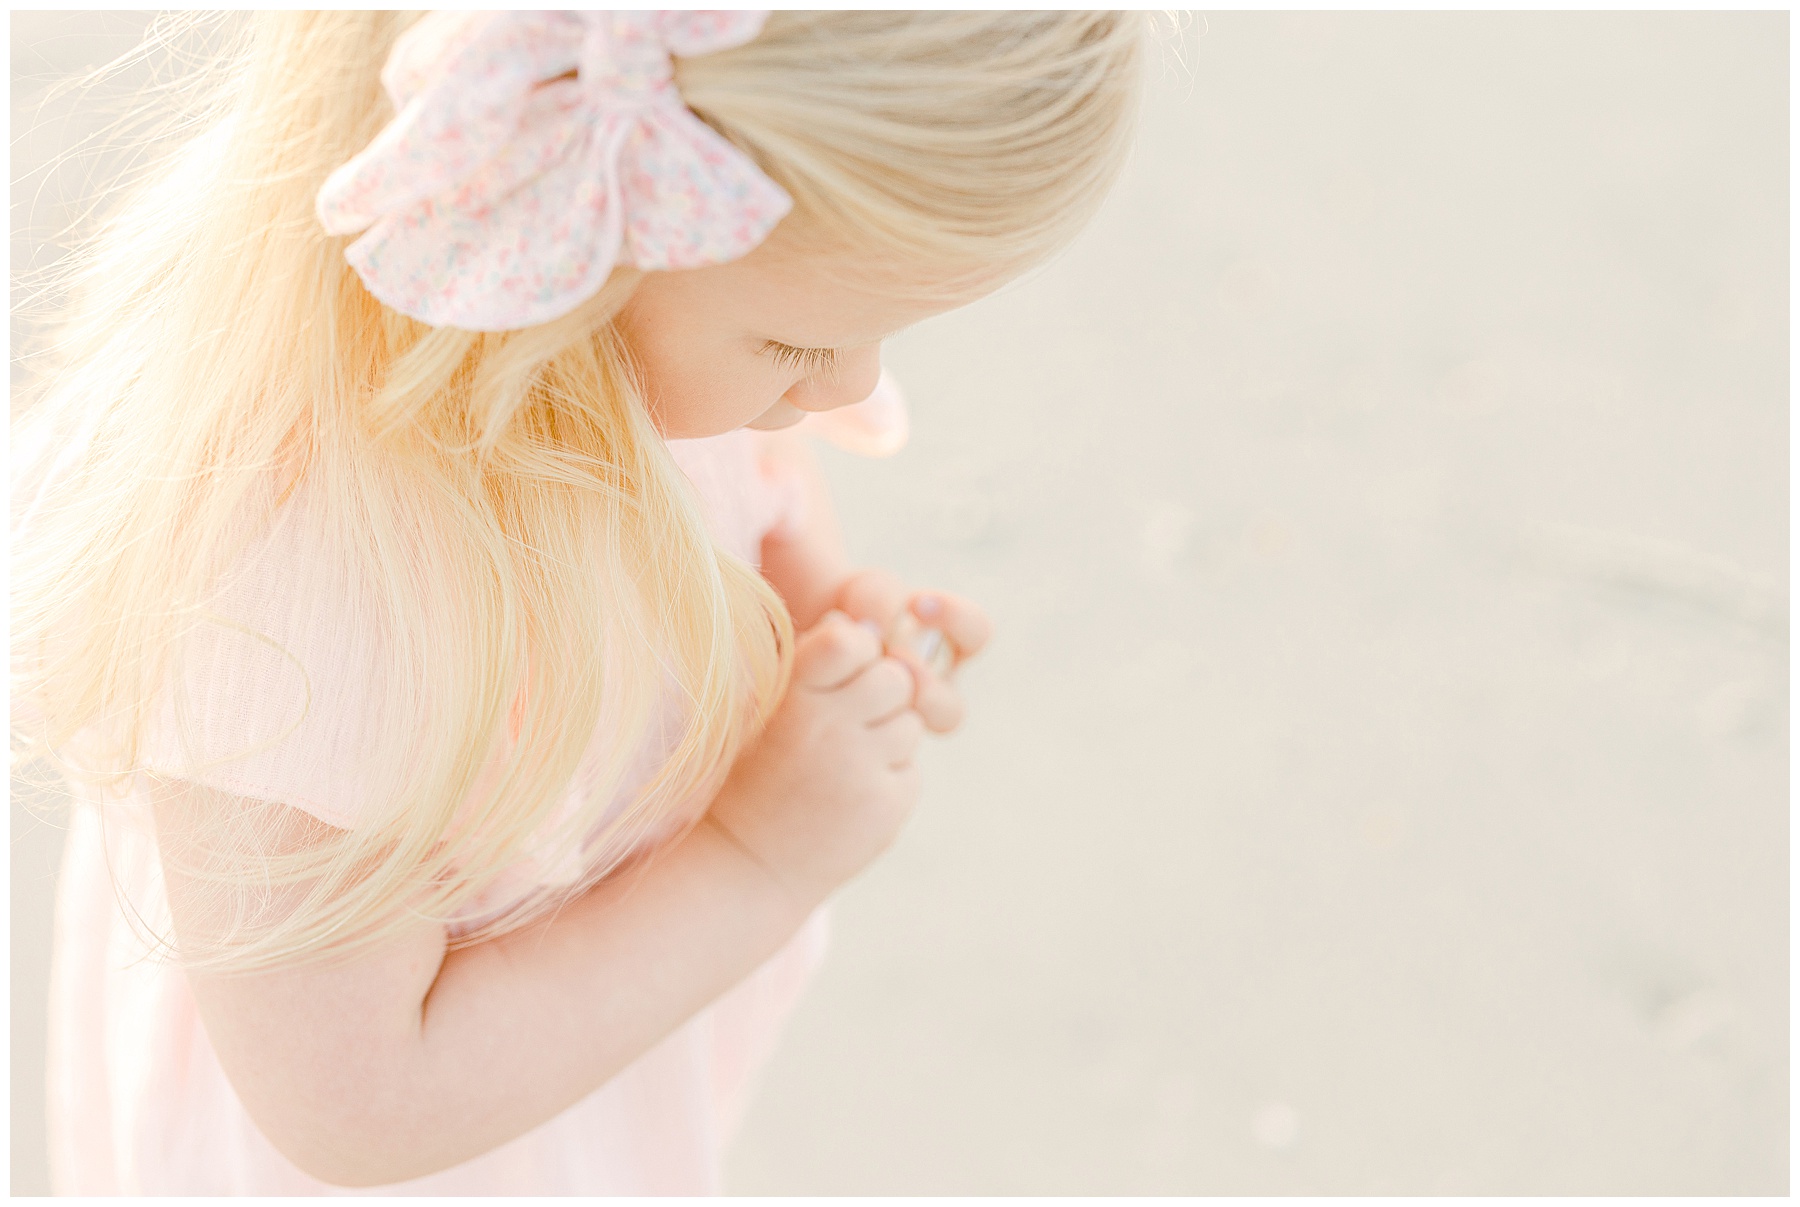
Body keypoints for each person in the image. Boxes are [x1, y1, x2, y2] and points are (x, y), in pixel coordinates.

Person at [12, 10, 1142, 1194]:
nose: (852, 383)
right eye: (797, 341)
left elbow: (749, 482)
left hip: (581, 1083)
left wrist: (812, 619)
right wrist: (760, 854)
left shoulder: (625, 360)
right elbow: (364, 1105)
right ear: (556, 246)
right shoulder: (301, 589)